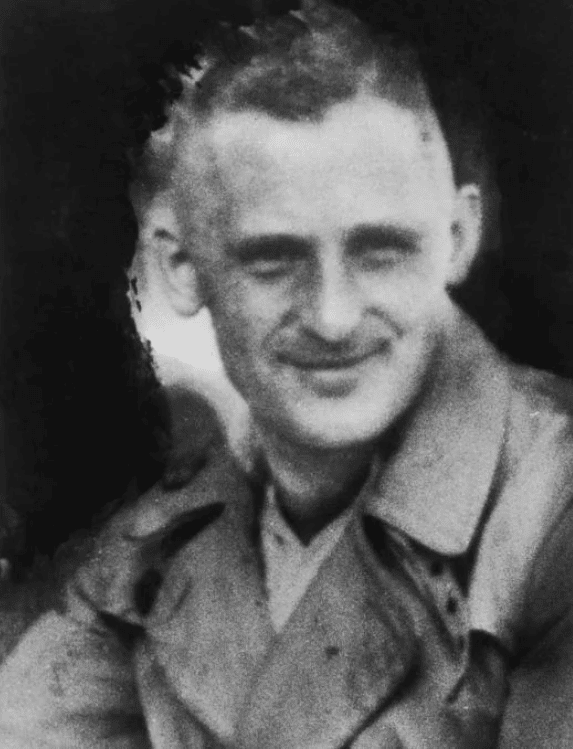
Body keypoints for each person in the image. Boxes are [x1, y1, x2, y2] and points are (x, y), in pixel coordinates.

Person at [1, 2, 573, 746]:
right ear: (181, 265)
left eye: (380, 250)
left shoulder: (550, 511)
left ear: (457, 238)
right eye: (272, 259)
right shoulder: (144, 556)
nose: (332, 317)